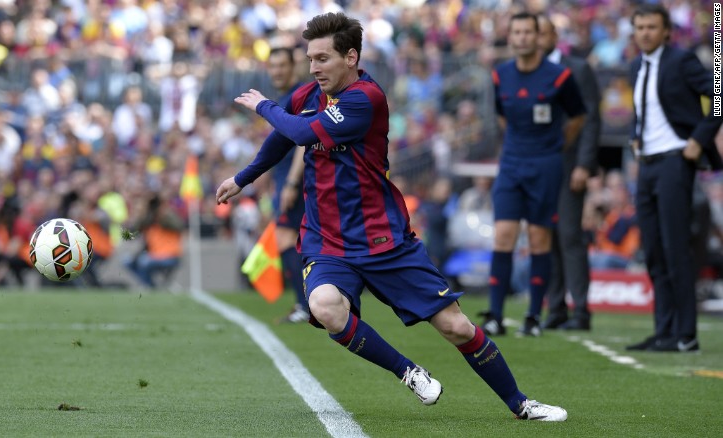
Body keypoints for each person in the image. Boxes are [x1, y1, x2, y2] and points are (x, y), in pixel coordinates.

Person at [217, 12, 567, 421]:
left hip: (384, 239)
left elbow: (302, 134)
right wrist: (242, 179)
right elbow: (281, 140)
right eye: (310, 59)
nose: (314, 68)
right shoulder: (309, 94)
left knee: (456, 327)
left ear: (351, 57)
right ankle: (409, 372)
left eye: (323, 59)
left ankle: (521, 404)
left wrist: (264, 105)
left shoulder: (366, 99)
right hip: (327, 240)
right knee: (325, 306)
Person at [479, 12, 586, 337]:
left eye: (529, 32)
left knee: (540, 239)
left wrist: (554, 146)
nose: (523, 37)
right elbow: (501, 117)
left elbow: (579, 117)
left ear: (539, 37)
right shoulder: (501, 75)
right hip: (511, 163)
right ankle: (495, 314)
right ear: (510, 37)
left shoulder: (560, 75)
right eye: (518, 32)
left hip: (546, 166)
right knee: (503, 235)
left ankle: (533, 316)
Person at [625, 4, 723, 353]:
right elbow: (642, 112)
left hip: (675, 162)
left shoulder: (681, 61)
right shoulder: (636, 65)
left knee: (675, 247)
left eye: (652, 27)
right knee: (652, 250)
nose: (646, 33)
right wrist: (634, 136)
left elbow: (719, 95)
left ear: (666, 31)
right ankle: (663, 330)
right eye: (640, 27)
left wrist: (699, 139)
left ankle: (686, 334)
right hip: (648, 166)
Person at [537, 15, 601, 331]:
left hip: (568, 164)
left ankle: (582, 310)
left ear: (554, 35)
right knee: (546, 238)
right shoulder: (527, 72)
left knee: (570, 236)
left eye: (543, 33)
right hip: (538, 168)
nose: (536, 39)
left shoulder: (577, 68)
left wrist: (584, 165)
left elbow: (590, 119)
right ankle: (557, 307)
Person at [266, 47, 310, 324]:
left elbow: (304, 142)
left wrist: (292, 183)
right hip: (286, 181)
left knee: (286, 238)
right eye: (273, 66)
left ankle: (305, 306)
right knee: (294, 240)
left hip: (297, 182)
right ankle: (305, 304)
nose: (277, 71)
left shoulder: (299, 96)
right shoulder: (285, 98)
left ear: (294, 66)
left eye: (282, 65)